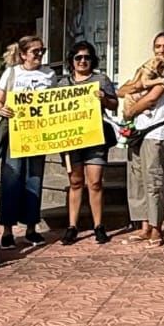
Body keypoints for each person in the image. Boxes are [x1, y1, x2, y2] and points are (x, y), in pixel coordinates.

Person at [0, 35, 52, 247]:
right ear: (24, 54)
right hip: (15, 135)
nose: (39, 55)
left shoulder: (49, 74)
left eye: (42, 51)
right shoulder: (11, 73)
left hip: (39, 136)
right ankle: (7, 229)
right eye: (35, 51)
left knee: (34, 179)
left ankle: (31, 227)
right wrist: (2, 109)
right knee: (12, 179)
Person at [58, 40, 118, 245]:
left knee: (95, 182)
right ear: (72, 61)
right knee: (75, 182)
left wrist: (103, 98)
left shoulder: (101, 79)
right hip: (71, 140)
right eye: (78, 57)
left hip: (95, 138)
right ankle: (72, 226)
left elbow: (114, 104)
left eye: (87, 57)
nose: (83, 61)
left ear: (92, 60)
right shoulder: (62, 84)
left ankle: (99, 225)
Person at [124, 32, 164, 245]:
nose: (161, 50)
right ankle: (144, 226)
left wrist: (130, 112)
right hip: (138, 131)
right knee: (137, 179)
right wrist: (134, 89)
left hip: (156, 132)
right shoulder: (147, 66)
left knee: (153, 181)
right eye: (158, 46)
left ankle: (157, 228)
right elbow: (126, 89)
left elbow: (153, 96)